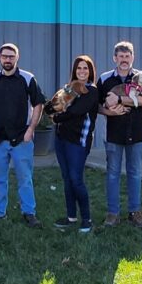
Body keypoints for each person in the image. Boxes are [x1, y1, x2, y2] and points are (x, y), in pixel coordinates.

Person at [0, 43, 46, 228]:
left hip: (21, 138)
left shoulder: (27, 78)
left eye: (11, 56)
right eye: (5, 56)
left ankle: (29, 212)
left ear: (17, 57)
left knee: (25, 179)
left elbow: (38, 104)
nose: (8, 60)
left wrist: (31, 129)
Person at [96, 41, 142, 229]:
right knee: (112, 174)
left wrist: (119, 99)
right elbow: (96, 105)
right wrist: (109, 111)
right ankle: (113, 213)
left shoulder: (141, 77)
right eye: (121, 56)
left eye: (127, 56)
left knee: (134, 173)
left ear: (132, 57)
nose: (124, 60)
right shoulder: (105, 79)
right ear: (115, 58)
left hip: (136, 132)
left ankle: (135, 213)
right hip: (113, 133)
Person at [50, 55, 100, 233]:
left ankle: (87, 219)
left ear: (90, 71)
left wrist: (57, 117)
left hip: (78, 141)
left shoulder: (92, 91)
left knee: (76, 179)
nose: (82, 71)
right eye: (79, 68)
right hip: (61, 139)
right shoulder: (69, 88)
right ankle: (71, 217)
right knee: (67, 178)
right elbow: (51, 106)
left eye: (85, 68)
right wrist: (55, 111)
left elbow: (76, 111)